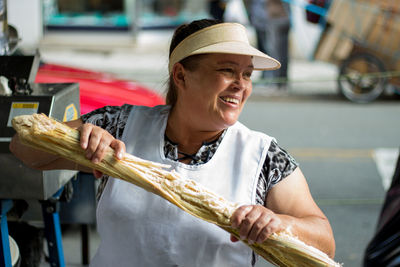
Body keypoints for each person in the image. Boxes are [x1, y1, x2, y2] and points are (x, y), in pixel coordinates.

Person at [10, 19, 335, 266]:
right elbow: (22, 150)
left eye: (247, 74)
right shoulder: (119, 126)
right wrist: (78, 139)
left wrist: (281, 223)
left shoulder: (262, 156)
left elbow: (324, 244)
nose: (241, 85)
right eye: (227, 70)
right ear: (180, 76)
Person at [249, 0, 291, 89]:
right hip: (274, 18)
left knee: (276, 52)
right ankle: (278, 81)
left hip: (276, 18)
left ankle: (278, 81)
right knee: (275, 51)